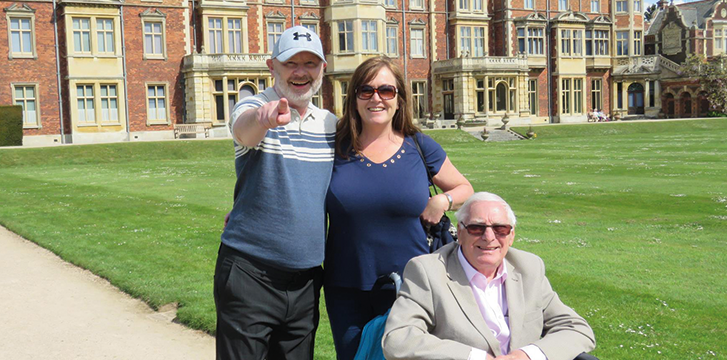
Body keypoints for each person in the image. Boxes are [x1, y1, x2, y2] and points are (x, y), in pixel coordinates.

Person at [324, 56, 474, 359]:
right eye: (366, 91)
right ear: (353, 98)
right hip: (347, 286)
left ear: (399, 99)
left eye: (386, 91)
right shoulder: (334, 147)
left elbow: (465, 189)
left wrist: (442, 200)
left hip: (414, 286)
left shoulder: (419, 145)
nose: (376, 98)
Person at [214, 26, 336, 360]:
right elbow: (244, 131)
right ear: (272, 66)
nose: (301, 72)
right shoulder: (254, 105)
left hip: (307, 283)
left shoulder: (330, 126)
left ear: (323, 69)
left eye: (310, 63)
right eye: (290, 63)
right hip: (251, 275)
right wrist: (264, 119)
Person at [382, 192, 597, 360]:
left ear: (511, 236)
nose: (489, 237)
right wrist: (475, 357)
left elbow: (576, 329)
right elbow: (398, 340)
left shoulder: (528, 268)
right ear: (460, 231)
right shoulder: (427, 272)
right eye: (477, 228)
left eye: (500, 229)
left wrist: (527, 355)